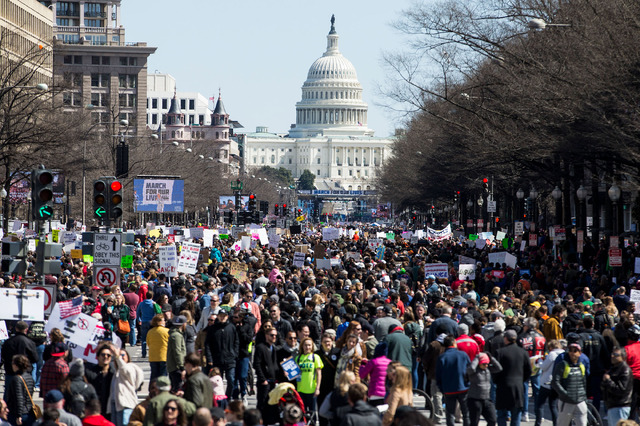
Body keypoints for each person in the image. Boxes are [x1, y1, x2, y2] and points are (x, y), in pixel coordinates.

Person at [493, 329, 531, 426]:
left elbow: (495, 371)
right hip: (517, 387)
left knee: (501, 415)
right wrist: (521, 380)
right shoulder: (523, 352)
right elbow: (529, 371)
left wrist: (496, 381)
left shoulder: (500, 352)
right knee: (516, 415)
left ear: (506, 339)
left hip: (503, 386)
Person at [552, 342, 588, 426]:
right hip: (566, 402)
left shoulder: (581, 366)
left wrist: (584, 397)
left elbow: (584, 382)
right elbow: (555, 382)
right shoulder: (562, 365)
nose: (572, 353)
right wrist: (565, 395)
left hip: (580, 402)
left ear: (580, 353)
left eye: (575, 351)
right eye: (570, 350)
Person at [436, 336, 470, 426]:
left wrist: (442, 388)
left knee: (450, 414)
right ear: (454, 343)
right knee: (466, 413)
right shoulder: (463, 355)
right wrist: (468, 384)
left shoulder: (442, 357)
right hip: (463, 387)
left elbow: (438, 376)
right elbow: (469, 371)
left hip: (448, 389)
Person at [107, 344, 144, 426]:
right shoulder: (116, 372)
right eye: (119, 355)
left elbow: (125, 370)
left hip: (125, 405)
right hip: (115, 405)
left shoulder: (131, 367)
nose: (121, 357)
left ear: (128, 357)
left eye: (123, 355)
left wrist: (117, 356)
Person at [205, 309, 238, 398]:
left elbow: (236, 341)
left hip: (230, 359)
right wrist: (210, 359)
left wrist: (235, 354)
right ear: (218, 317)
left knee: (231, 380)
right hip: (217, 360)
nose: (222, 317)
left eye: (224, 316)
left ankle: (228, 397)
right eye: (221, 316)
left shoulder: (231, 327)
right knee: (217, 381)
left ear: (227, 316)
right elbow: (207, 344)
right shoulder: (213, 329)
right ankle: (219, 398)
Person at [2, 321, 38, 392]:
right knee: (24, 395)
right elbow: (35, 358)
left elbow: (3, 356)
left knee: (9, 395)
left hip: (10, 371)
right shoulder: (30, 342)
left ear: (16, 328)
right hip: (25, 373)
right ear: (26, 329)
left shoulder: (8, 342)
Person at [601, 347, 633, 426]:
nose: (612, 356)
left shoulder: (625, 370)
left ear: (623, 357)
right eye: (612, 354)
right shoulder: (613, 369)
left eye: (616, 355)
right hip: (612, 406)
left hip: (620, 406)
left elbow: (621, 390)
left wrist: (608, 381)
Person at [467, 352, 501, 426]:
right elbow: (471, 368)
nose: (486, 365)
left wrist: (491, 358)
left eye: (487, 364)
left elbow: (499, 368)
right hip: (475, 400)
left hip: (487, 399)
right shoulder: (474, 371)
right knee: (474, 422)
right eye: (484, 364)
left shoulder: (488, 370)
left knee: (493, 420)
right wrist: (477, 358)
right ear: (479, 363)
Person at [534, 339, 563, 426]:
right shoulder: (563, 354)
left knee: (540, 405)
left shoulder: (552, 354)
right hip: (556, 383)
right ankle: (556, 424)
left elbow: (543, 367)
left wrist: (539, 361)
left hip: (546, 382)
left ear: (551, 347)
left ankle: (538, 423)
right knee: (553, 406)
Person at [84, 344, 115, 419]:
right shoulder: (90, 372)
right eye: (103, 355)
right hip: (95, 409)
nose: (106, 357)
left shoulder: (113, 373)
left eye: (108, 355)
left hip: (110, 409)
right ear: (97, 357)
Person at [6, 354, 37, 426]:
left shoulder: (16, 379)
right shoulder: (29, 377)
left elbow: (19, 398)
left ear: (17, 365)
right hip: (29, 411)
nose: (12, 365)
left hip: (18, 413)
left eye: (13, 363)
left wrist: (18, 415)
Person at [296, 337, 324, 412]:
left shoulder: (316, 357)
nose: (307, 347)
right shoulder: (298, 358)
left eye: (309, 345)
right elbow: (294, 374)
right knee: (302, 413)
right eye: (305, 345)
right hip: (300, 390)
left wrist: (317, 388)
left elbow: (319, 374)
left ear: (312, 346)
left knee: (312, 414)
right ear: (302, 346)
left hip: (312, 390)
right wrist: (287, 374)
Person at [167, 315, 188, 393]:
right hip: (176, 367)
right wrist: (182, 367)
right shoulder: (177, 336)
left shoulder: (174, 334)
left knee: (174, 387)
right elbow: (178, 352)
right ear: (183, 324)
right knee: (177, 388)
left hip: (173, 366)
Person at [146, 314, 169, 380]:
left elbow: (148, 343)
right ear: (160, 322)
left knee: (154, 376)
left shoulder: (150, 332)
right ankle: (162, 389)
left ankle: (152, 389)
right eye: (163, 320)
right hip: (163, 356)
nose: (165, 322)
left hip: (153, 357)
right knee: (163, 376)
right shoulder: (167, 331)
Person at [137, 291, 159, 358]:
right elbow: (156, 312)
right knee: (152, 338)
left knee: (144, 339)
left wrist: (139, 319)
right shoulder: (153, 304)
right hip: (151, 322)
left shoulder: (141, 303)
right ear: (152, 296)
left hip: (144, 321)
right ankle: (152, 352)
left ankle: (143, 353)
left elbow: (138, 312)